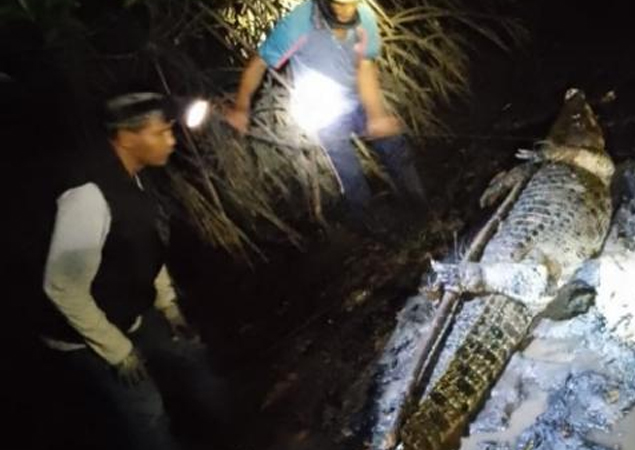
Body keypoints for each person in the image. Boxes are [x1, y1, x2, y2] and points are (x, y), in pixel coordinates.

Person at [36, 92, 230, 450]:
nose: (171, 140)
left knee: (189, 352)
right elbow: (62, 286)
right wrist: (118, 352)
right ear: (127, 137)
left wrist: (169, 306)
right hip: (83, 334)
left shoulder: (133, 174)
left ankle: (230, 432)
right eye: (161, 133)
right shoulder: (89, 196)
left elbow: (143, 244)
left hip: (130, 309)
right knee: (146, 410)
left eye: (171, 130)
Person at [226, 0, 427, 229]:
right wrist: (242, 106)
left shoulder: (365, 16)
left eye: (352, 4)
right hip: (322, 110)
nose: (347, 12)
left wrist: (376, 115)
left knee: (394, 146)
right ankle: (370, 225)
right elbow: (259, 63)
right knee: (350, 173)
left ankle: (419, 207)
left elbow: (366, 66)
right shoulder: (299, 24)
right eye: (340, 4)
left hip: (354, 96)